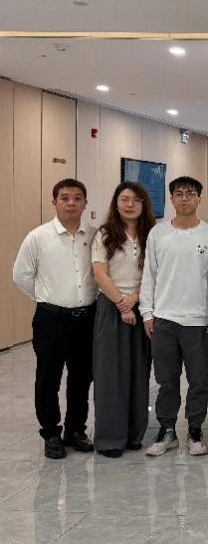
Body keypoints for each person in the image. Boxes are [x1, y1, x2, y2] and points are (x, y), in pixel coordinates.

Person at [13, 178, 97, 459]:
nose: (71, 203)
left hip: (87, 319)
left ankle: (75, 430)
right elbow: (21, 275)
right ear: (54, 202)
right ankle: (51, 433)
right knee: (48, 378)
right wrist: (45, 298)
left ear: (85, 203)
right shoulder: (38, 237)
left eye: (77, 198)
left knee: (81, 378)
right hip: (51, 320)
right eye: (65, 198)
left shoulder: (94, 235)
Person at [140, 176, 208, 457]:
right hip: (163, 318)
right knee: (166, 381)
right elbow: (149, 275)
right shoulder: (158, 234)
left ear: (199, 198)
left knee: (199, 381)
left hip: (197, 321)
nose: (185, 198)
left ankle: (195, 430)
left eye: (190, 193)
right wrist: (147, 313)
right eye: (179, 193)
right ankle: (167, 430)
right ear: (172, 199)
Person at [91, 181, 156, 458]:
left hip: (142, 307)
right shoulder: (105, 234)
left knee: (139, 373)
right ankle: (110, 439)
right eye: (124, 199)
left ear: (144, 204)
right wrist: (121, 303)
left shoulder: (151, 234)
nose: (130, 204)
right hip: (111, 308)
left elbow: (155, 272)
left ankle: (133, 434)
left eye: (136, 200)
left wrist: (135, 298)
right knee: (110, 374)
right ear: (116, 203)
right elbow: (100, 273)